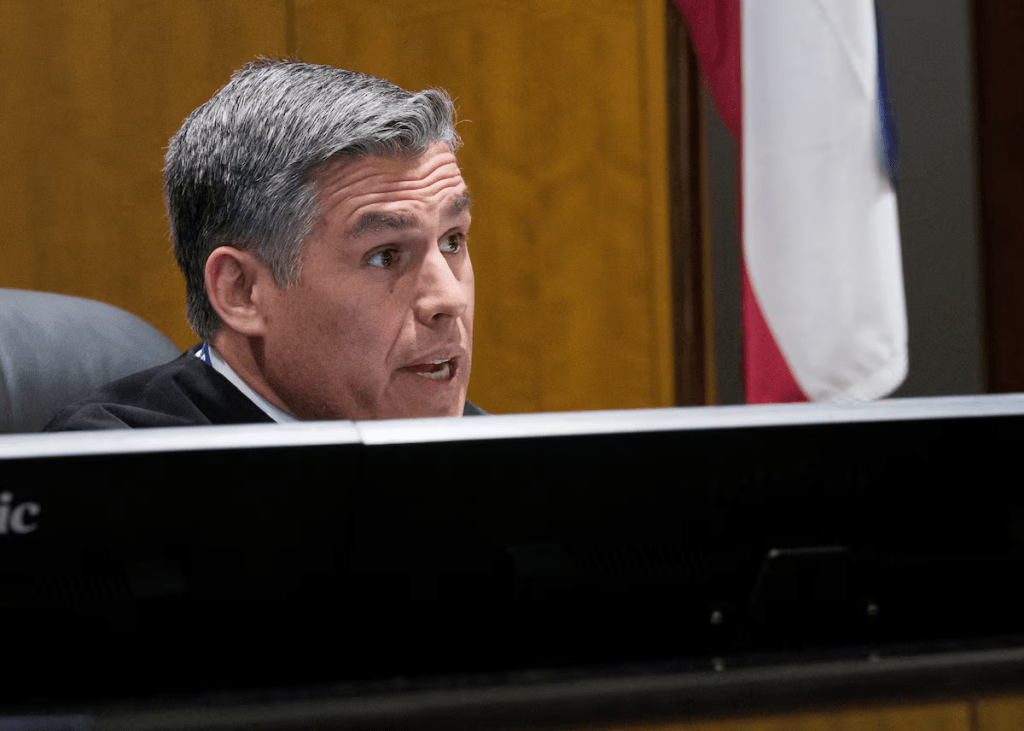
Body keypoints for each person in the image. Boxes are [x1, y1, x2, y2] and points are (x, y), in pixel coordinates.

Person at [46, 59, 482, 430]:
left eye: (452, 241)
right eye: (384, 256)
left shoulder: (500, 452)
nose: (450, 299)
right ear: (241, 292)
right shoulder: (108, 470)